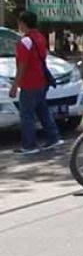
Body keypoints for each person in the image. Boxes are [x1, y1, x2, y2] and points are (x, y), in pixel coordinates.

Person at [9, 11, 64, 155]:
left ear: (23, 23)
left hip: (29, 83)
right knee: (42, 110)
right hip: (41, 80)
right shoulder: (40, 37)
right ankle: (53, 137)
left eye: (19, 22)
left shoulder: (25, 41)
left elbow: (23, 65)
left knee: (27, 114)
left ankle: (29, 145)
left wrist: (15, 85)